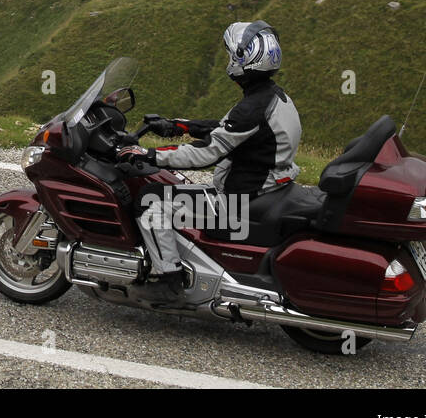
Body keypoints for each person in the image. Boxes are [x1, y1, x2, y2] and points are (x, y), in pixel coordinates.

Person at [116, 20, 301, 281]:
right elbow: (229, 130)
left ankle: (168, 276)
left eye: (230, 54)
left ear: (242, 59)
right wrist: (178, 126)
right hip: (266, 191)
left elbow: (207, 153)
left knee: (150, 202)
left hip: (238, 205)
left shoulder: (251, 109)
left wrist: (147, 154)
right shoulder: (273, 97)